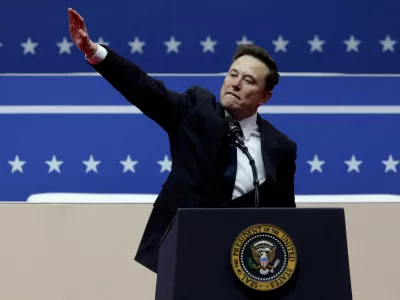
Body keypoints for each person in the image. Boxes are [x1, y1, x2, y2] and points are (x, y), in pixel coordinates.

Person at [68, 7, 297, 273]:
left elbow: (284, 217)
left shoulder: (280, 147)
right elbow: (145, 89)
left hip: (245, 261)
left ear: (264, 97)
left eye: (247, 81)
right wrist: (93, 51)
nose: (235, 84)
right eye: (233, 74)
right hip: (183, 247)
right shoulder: (195, 109)